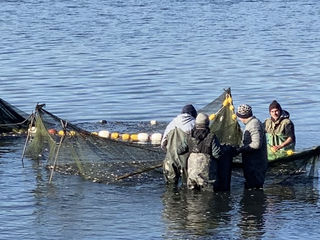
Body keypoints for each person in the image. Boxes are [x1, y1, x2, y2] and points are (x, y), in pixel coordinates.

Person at [161, 104, 197, 185]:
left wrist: (170, 152)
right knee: (187, 186)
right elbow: (197, 144)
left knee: (170, 187)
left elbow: (163, 144)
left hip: (170, 160)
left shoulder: (171, 124)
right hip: (186, 160)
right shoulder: (194, 124)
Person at [236, 104, 268, 189]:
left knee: (255, 187)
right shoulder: (252, 123)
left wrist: (240, 149)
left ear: (242, 116)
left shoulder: (254, 125)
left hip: (255, 165)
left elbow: (256, 144)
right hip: (253, 164)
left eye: (239, 116)